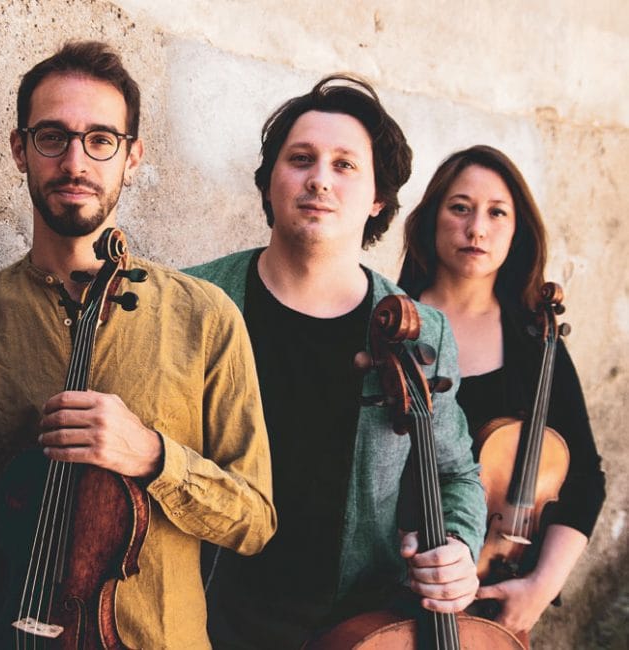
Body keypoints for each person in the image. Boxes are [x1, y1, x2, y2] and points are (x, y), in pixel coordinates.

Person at [0, 41, 276, 649]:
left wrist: (153, 456)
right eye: (52, 137)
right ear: (19, 150)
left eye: (100, 140)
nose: (75, 161)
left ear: (132, 156)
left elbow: (254, 520)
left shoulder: (204, 317)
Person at [185, 75, 486, 648]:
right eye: (301, 159)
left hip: (352, 629)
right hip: (200, 617)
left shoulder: (423, 333)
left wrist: (459, 547)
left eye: (345, 164)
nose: (320, 179)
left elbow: (455, 474)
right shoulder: (192, 300)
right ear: (269, 182)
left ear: (377, 199)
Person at [398, 144, 606, 641]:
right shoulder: (394, 325)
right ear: (431, 220)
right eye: (460, 207)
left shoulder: (536, 342)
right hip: (394, 583)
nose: (477, 229)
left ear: (517, 230)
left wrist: (539, 588)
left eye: (496, 213)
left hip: (493, 598)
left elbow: (584, 480)